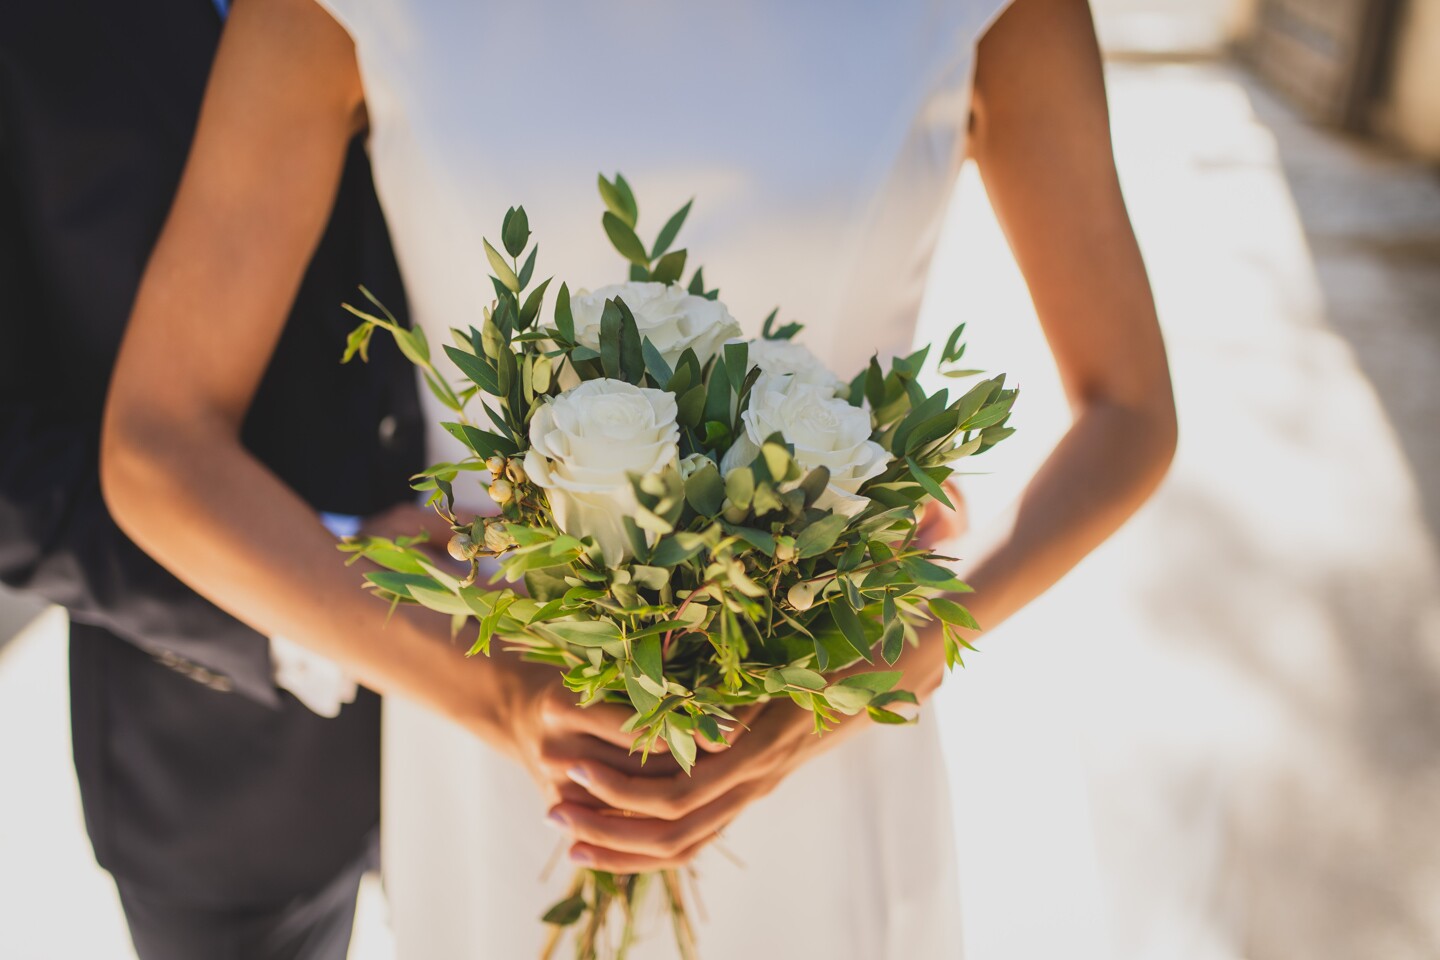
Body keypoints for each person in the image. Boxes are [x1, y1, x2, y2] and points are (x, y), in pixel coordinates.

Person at [100, 0, 1178, 956]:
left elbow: (1129, 411)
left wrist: (887, 659)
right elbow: (156, 447)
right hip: (503, 721)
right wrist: (499, 696)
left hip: (823, 720)